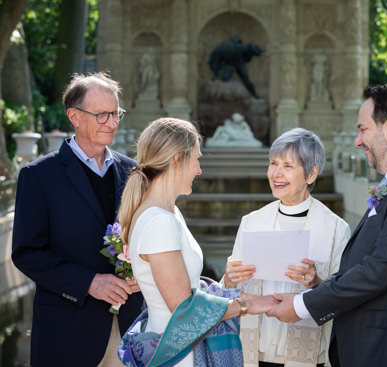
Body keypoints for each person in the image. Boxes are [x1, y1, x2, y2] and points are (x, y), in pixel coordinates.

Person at [267, 81, 387, 367]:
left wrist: (302, 305)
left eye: (363, 129)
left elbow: (379, 270)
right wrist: (319, 285)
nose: (358, 140)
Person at [116, 118, 275, 366]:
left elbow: (188, 287)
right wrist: (248, 305)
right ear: (178, 159)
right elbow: (184, 307)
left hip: (180, 343)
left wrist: (228, 285)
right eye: (197, 159)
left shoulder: (167, 213)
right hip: (177, 353)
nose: (199, 170)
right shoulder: (159, 221)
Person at [11, 72, 143, 366]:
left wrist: (142, 273)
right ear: (74, 116)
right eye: (102, 115)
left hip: (132, 330)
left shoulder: (134, 172)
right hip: (68, 332)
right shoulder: (39, 176)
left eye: (116, 113)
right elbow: (26, 253)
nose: (112, 122)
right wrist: (88, 283)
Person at [222, 128, 351, 367]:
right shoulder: (252, 222)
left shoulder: (335, 229)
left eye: (288, 166)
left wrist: (316, 283)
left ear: (311, 174)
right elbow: (226, 291)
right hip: (252, 354)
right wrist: (229, 280)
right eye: (273, 163)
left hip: (308, 357)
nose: (276, 174)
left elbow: (345, 298)